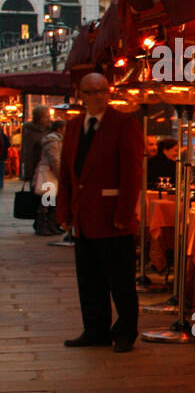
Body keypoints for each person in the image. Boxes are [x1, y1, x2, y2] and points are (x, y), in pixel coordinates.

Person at [57, 73, 145, 353]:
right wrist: (64, 212)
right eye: (91, 92)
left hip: (113, 217)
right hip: (83, 218)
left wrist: (124, 212)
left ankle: (125, 332)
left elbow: (132, 173)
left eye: (102, 91)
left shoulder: (124, 124)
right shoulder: (72, 127)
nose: (97, 96)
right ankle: (95, 329)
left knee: (120, 280)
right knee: (89, 278)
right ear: (80, 94)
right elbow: (67, 173)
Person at [33, 120, 64, 236]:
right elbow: (54, 159)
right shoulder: (53, 140)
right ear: (60, 129)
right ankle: (43, 226)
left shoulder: (56, 139)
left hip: (51, 174)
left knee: (51, 201)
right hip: (49, 174)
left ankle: (51, 225)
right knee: (47, 200)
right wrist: (60, 174)